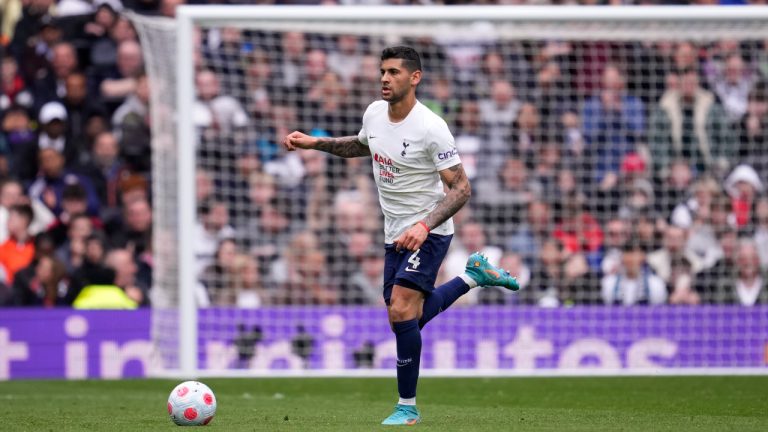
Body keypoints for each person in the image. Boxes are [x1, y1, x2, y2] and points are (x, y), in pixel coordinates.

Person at [284, 46, 519, 426]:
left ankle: (407, 406)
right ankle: (473, 276)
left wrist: (424, 225)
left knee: (400, 309)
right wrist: (317, 143)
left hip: (429, 230)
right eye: (382, 71)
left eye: (393, 72)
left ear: (415, 78)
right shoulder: (375, 113)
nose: (384, 78)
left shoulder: (431, 127)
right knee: (404, 318)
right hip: (393, 233)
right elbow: (362, 145)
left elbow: (461, 189)